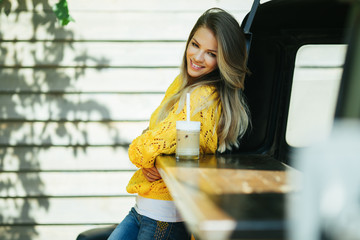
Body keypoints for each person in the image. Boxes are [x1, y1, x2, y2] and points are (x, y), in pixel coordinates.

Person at [107, 7, 250, 240]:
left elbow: (145, 148)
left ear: (224, 60)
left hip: (165, 217)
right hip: (143, 210)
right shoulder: (182, 85)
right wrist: (152, 151)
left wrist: (149, 154)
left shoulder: (203, 95)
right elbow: (156, 136)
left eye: (211, 53)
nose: (197, 57)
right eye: (195, 45)